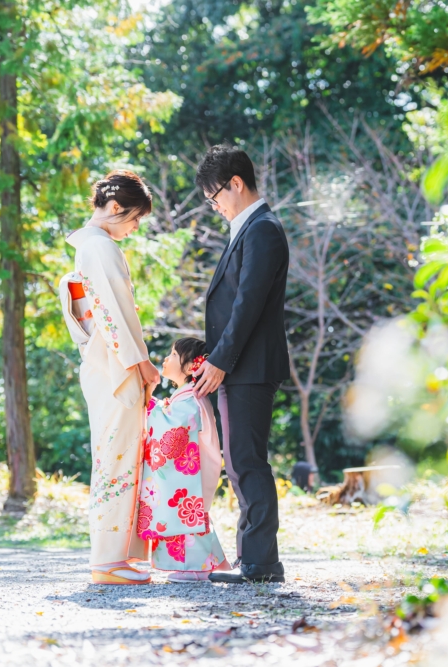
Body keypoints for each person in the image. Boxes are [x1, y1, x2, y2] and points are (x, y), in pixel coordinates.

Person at [190, 144, 290, 584]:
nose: (215, 207)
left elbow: (247, 304)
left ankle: (261, 563)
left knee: (247, 461)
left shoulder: (263, 229)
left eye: (215, 197)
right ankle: (254, 559)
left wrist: (221, 361)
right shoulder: (246, 229)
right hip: (238, 365)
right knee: (240, 461)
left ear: (236, 183)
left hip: (248, 366)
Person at [60, 170, 160, 585]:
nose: (136, 227)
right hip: (115, 366)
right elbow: (117, 315)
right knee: (116, 458)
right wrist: (143, 363)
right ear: (115, 207)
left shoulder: (93, 248)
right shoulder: (100, 249)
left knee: (119, 455)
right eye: (134, 218)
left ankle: (118, 554)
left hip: (105, 363)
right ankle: (106, 560)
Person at [137, 337, 232, 581]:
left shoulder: (190, 399)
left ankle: (193, 568)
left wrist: (148, 404)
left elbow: (171, 437)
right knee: (192, 513)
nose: (166, 359)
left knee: (183, 510)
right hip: (198, 470)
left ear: (190, 367)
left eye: (172, 354)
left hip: (193, 472)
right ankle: (214, 562)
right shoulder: (188, 397)